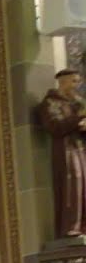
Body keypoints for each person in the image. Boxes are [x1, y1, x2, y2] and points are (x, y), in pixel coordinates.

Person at [38, 69, 86, 239]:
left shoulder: (76, 103)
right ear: (62, 81)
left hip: (79, 148)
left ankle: (83, 226)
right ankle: (70, 227)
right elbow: (55, 127)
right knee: (73, 184)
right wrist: (77, 118)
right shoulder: (51, 103)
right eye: (73, 81)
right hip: (65, 150)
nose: (76, 85)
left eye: (78, 81)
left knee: (83, 185)